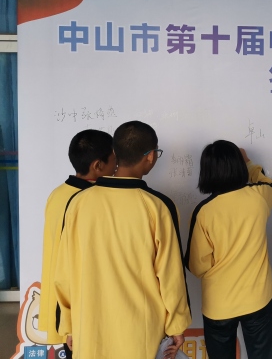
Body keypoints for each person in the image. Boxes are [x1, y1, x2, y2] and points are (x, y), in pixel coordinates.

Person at [55, 121, 191, 359]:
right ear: (150, 157)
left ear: (115, 153)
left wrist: (68, 325)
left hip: (90, 328)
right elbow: (171, 276)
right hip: (140, 332)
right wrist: (177, 325)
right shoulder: (158, 207)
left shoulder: (78, 203)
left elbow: (64, 272)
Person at [185, 140, 272, 359]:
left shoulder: (204, 212)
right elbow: (270, 184)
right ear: (238, 166)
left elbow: (197, 266)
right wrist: (249, 163)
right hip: (258, 298)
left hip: (219, 304)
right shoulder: (259, 196)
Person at [38, 129, 116, 358]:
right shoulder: (90, 201)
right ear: (97, 166)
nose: (117, 167)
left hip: (64, 304)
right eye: (114, 160)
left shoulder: (57, 193)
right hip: (80, 307)